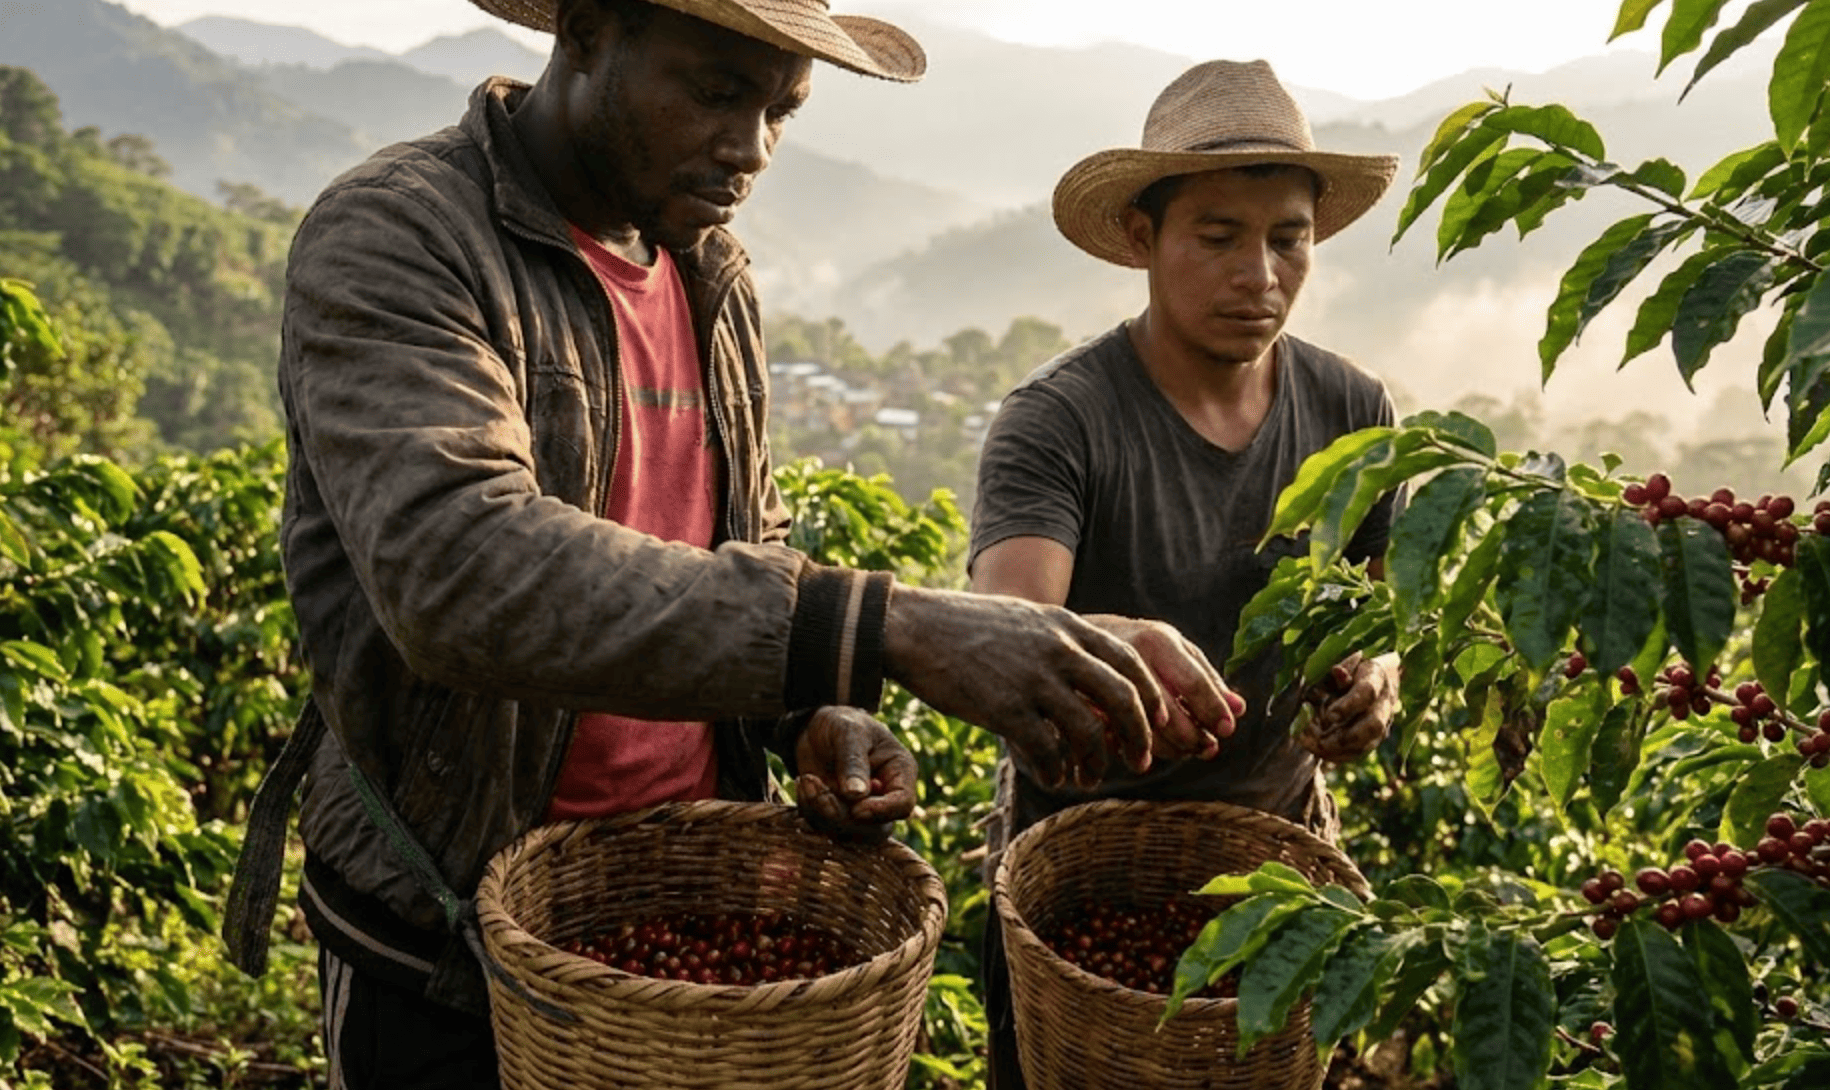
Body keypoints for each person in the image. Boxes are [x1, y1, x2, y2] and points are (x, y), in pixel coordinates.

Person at [218, 3, 1241, 1087]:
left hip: (678, 914)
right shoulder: (405, 234)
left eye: (781, 111)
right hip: (450, 940)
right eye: (715, 92)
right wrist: (883, 629)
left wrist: (810, 712)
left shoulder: (712, 272)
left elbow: (744, 530)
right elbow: (458, 568)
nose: (751, 147)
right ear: (590, 30)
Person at [968, 59, 1406, 1087]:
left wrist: (1378, 670)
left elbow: (1376, 605)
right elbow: (1009, 631)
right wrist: (1120, 652)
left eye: (1287, 239)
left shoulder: (1352, 414)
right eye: (1218, 237)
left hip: (1276, 864)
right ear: (1141, 237)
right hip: (1078, 873)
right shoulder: (1062, 419)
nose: (1259, 274)